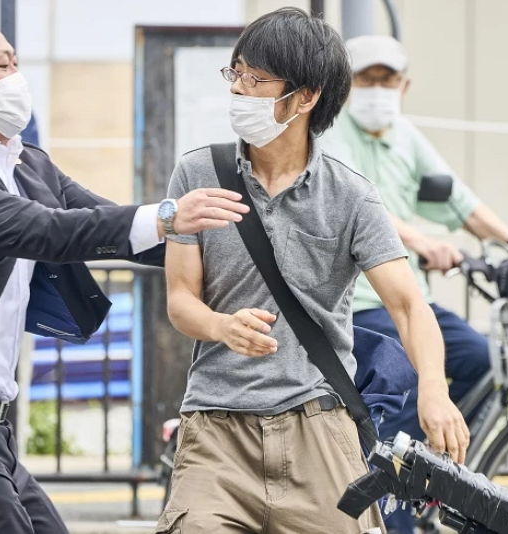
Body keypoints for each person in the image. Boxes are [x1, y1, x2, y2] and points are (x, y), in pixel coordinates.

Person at [0, 5, 249, 534]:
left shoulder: (25, 163)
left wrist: (240, 249)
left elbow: (117, 231)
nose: (19, 79)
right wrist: (167, 215)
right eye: (3, 66)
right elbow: (50, 231)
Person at [161, 8, 469, 534]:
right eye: (235, 73)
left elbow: (408, 304)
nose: (239, 89)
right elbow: (181, 298)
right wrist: (220, 326)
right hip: (216, 427)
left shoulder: (351, 195)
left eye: (256, 79)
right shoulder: (198, 173)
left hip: (319, 427)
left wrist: (434, 391)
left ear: (305, 97)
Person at [320, 35, 508, 533]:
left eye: (387, 79)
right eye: (366, 79)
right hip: (361, 302)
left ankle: (421, 464)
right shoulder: (331, 137)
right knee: (406, 378)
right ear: (348, 86)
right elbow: (365, 207)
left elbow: (460, 202)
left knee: (478, 358)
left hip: (411, 297)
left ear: (405, 85)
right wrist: (422, 241)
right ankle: (394, 499)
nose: (377, 89)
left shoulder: (405, 136)